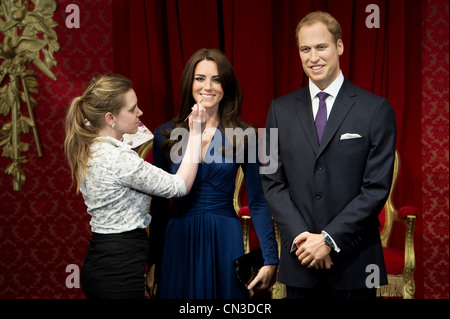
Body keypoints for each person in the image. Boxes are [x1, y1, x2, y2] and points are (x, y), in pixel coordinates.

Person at [261, 11, 397, 299]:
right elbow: (271, 181)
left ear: (339, 46)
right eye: (305, 49)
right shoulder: (278, 110)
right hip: (300, 262)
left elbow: (375, 189)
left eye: (321, 47)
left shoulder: (376, 109)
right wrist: (303, 239)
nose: (313, 57)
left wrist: (328, 239)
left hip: (355, 264)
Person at [146, 48, 279, 299]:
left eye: (216, 79)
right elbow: (160, 205)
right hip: (179, 237)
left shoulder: (248, 136)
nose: (208, 86)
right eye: (200, 78)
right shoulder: (164, 134)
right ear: (189, 83)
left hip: (224, 238)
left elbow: (259, 202)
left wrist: (271, 259)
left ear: (226, 85)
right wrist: (153, 262)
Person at [64, 74, 205, 299]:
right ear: (110, 117)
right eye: (132, 109)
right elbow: (179, 186)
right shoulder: (118, 158)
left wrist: (125, 128)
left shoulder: (92, 145)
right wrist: (196, 132)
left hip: (102, 260)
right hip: (119, 270)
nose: (140, 113)